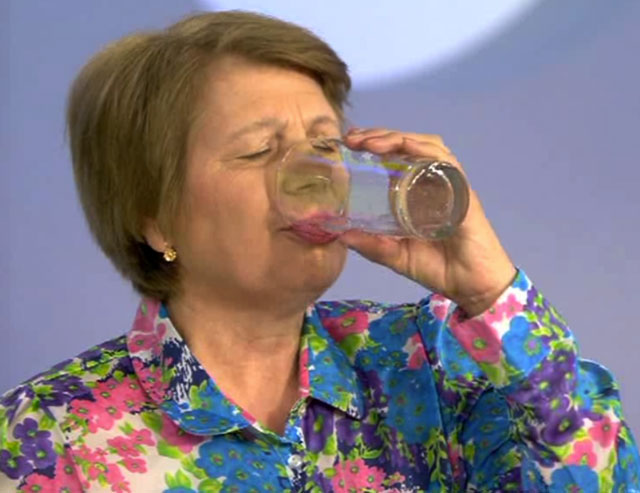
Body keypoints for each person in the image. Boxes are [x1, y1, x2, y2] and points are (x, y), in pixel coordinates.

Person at [0, 10, 638, 493]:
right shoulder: (51, 435)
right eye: (259, 150)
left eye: (327, 146)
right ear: (156, 219)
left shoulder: (434, 363)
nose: (314, 177)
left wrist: (490, 290)